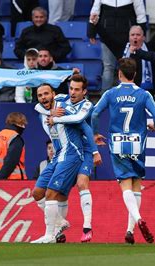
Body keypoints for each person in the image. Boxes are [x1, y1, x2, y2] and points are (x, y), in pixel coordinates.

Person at [91, 58, 155, 245]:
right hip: (137, 143)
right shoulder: (144, 94)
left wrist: (95, 133)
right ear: (135, 74)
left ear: (119, 74)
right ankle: (130, 231)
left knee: (125, 184)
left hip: (118, 142)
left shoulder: (111, 93)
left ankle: (138, 220)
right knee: (137, 185)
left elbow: (95, 113)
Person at [34, 74, 102, 242]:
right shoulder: (51, 106)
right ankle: (59, 222)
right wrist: (50, 112)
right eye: (71, 88)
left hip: (74, 152)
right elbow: (38, 107)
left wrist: (94, 151)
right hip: (58, 155)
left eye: (46, 94)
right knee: (37, 193)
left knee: (67, 189)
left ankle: (56, 234)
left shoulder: (77, 106)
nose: (72, 92)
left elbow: (82, 123)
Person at [122, 9, 155, 101]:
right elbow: (108, 38)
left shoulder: (151, 48)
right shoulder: (122, 50)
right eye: (132, 34)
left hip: (148, 95)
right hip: (128, 95)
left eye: (138, 34)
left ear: (143, 37)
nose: (135, 37)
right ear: (129, 37)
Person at [0, 112, 28, 180]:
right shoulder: (15, 138)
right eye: (22, 124)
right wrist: (0, 179)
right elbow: (11, 161)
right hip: (16, 181)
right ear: (16, 123)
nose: (23, 127)